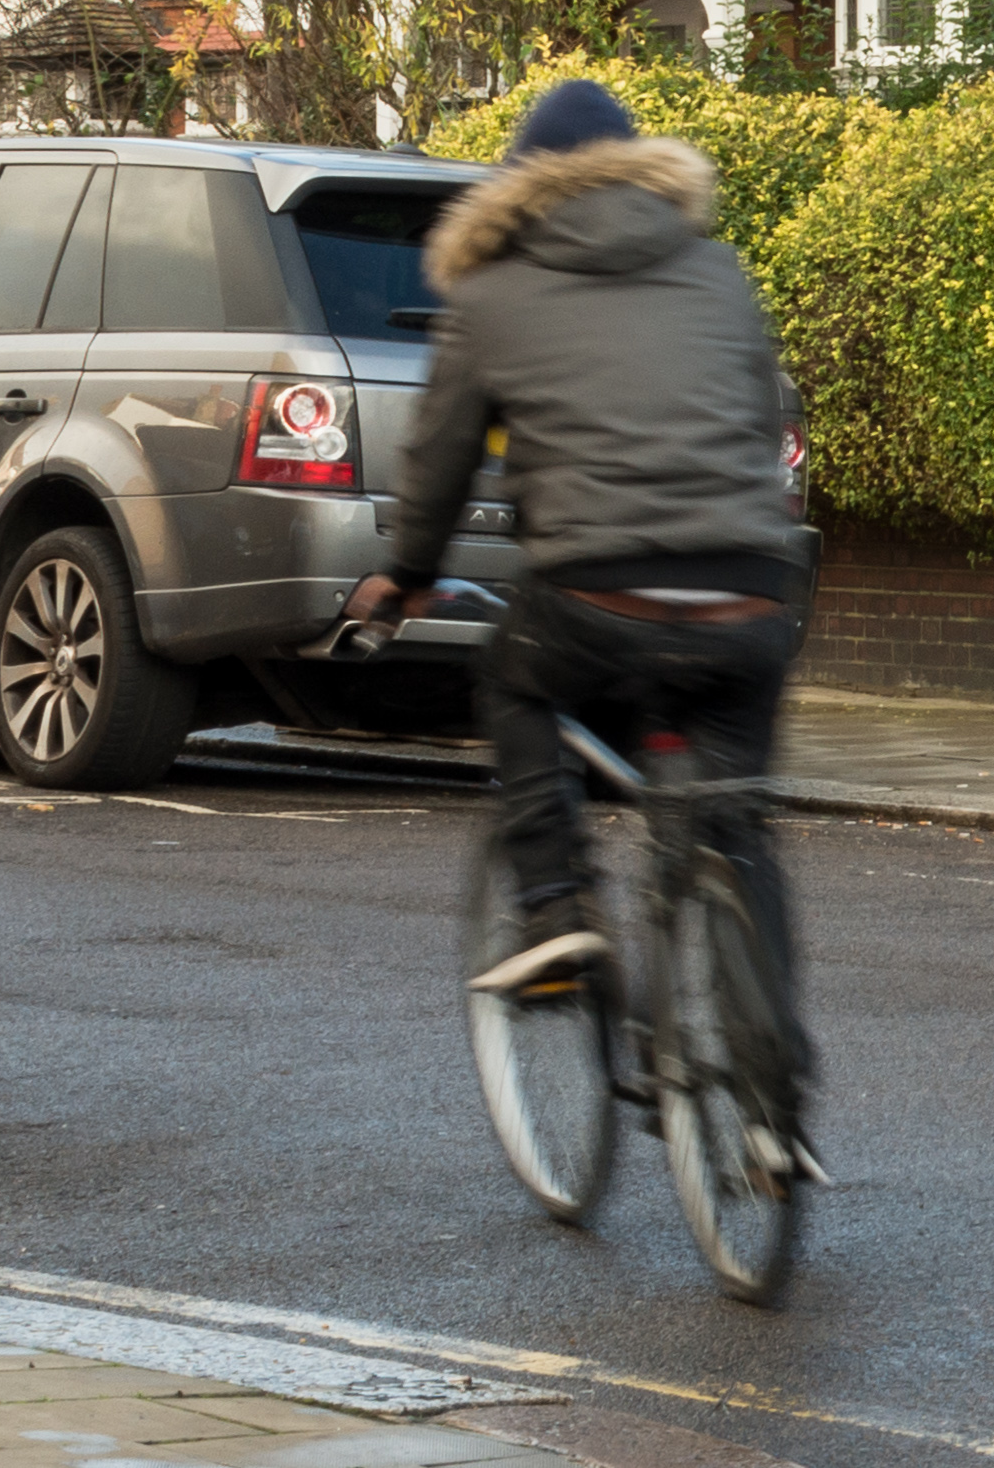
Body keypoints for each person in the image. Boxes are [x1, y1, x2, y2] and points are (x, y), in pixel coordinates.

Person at [338, 79, 818, 1111]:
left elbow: (440, 458)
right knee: (736, 819)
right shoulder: (719, 271)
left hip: (598, 594)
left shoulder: (493, 293)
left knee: (514, 682)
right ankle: (779, 1091)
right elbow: (765, 414)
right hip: (748, 592)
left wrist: (408, 576)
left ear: (520, 185)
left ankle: (555, 906)